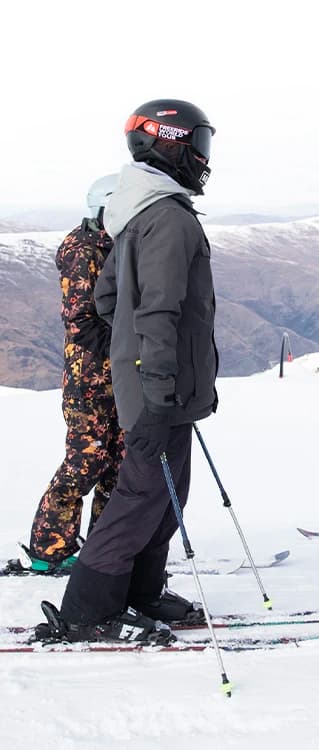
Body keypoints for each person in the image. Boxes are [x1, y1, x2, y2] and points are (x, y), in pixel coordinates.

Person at [37, 99, 219, 644]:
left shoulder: (138, 213)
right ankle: (87, 611)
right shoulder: (165, 217)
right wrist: (157, 375)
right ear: (168, 141)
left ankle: (142, 592)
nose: (205, 157)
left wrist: (138, 354)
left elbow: (109, 297)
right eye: (200, 143)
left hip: (166, 384)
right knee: (140, 496)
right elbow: (157, 308)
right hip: (160, 389)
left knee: (166, 495)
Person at [4, 176, 124, 576]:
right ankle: (49, 548)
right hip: (91, 374)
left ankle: (106, 548)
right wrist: (130, 344)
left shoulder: (113, 243)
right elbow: (81, 322)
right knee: (85, 460)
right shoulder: (85, 248)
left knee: (117, 462)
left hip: (118, 373)